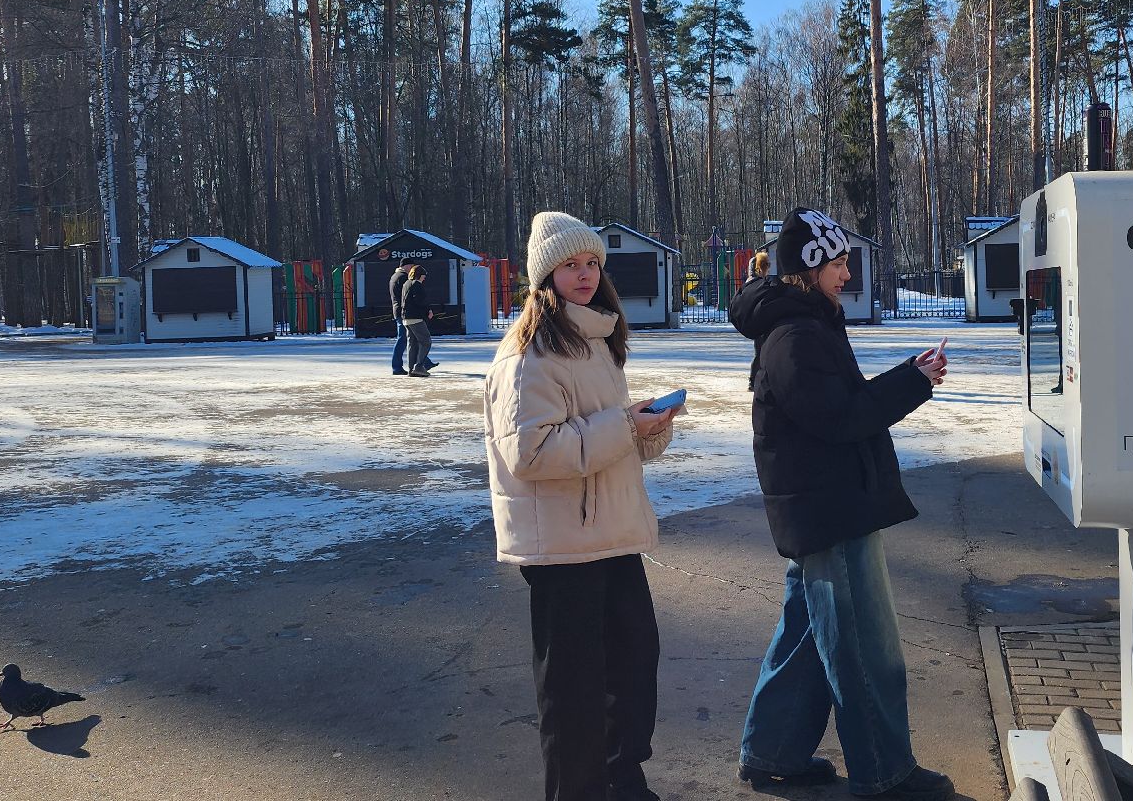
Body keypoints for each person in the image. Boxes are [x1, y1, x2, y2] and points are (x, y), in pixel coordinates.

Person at [728, 207, 954, 801]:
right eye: (838, 263)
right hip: (829, 510)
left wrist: (909, 374)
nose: (847, 274)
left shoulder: (808, 323)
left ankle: (773, 751)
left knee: (807, 639)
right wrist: (914, 383)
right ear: (809, 268)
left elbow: (837, 406)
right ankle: (884, 772)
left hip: (823, 506)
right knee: (863, 647)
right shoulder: (795, 336)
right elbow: (840, 418)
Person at [483, 211, 682, 801]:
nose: (585, 274)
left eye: (593, 262)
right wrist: (623, 425)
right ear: (545, 275)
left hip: (612, 534)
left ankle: (622, 779)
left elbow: (604, 437)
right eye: (571, 264)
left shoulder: (595, 340)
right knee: (573, 692)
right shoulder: (529, 354)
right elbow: (531, 453)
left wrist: (646, 427)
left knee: (633, 668)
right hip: (563, 547)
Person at [400, 264, 434, 377]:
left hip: (406, 318)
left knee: (412, 343)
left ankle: (411, 369)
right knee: (426, 341)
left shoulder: (406, 284)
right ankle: (419, 366)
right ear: (419, 275)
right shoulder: (417, 285)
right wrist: (428, 311)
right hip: (416, 318)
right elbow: (420, 301)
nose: (424, 278)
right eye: (423, 276)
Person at [389, 262, 411, 375]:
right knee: (404, 338)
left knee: (406, 338)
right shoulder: (403, 277)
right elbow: (407, 295)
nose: (412, 268)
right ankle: (396, 366)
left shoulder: (394, 276)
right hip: (403, 311)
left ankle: (424, 362)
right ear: (406, 266)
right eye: (411, 266)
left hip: (397, 310)